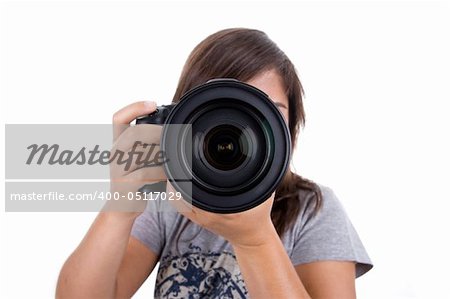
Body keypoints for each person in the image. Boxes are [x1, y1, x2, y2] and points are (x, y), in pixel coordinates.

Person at [56, 28, 372, 298]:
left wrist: (256, 239)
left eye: (268, 112)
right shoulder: (168, 203)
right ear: (181, 120)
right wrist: (120, 207)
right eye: (227, 113)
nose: (242, 132)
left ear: (289, 125)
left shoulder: (313, 209)